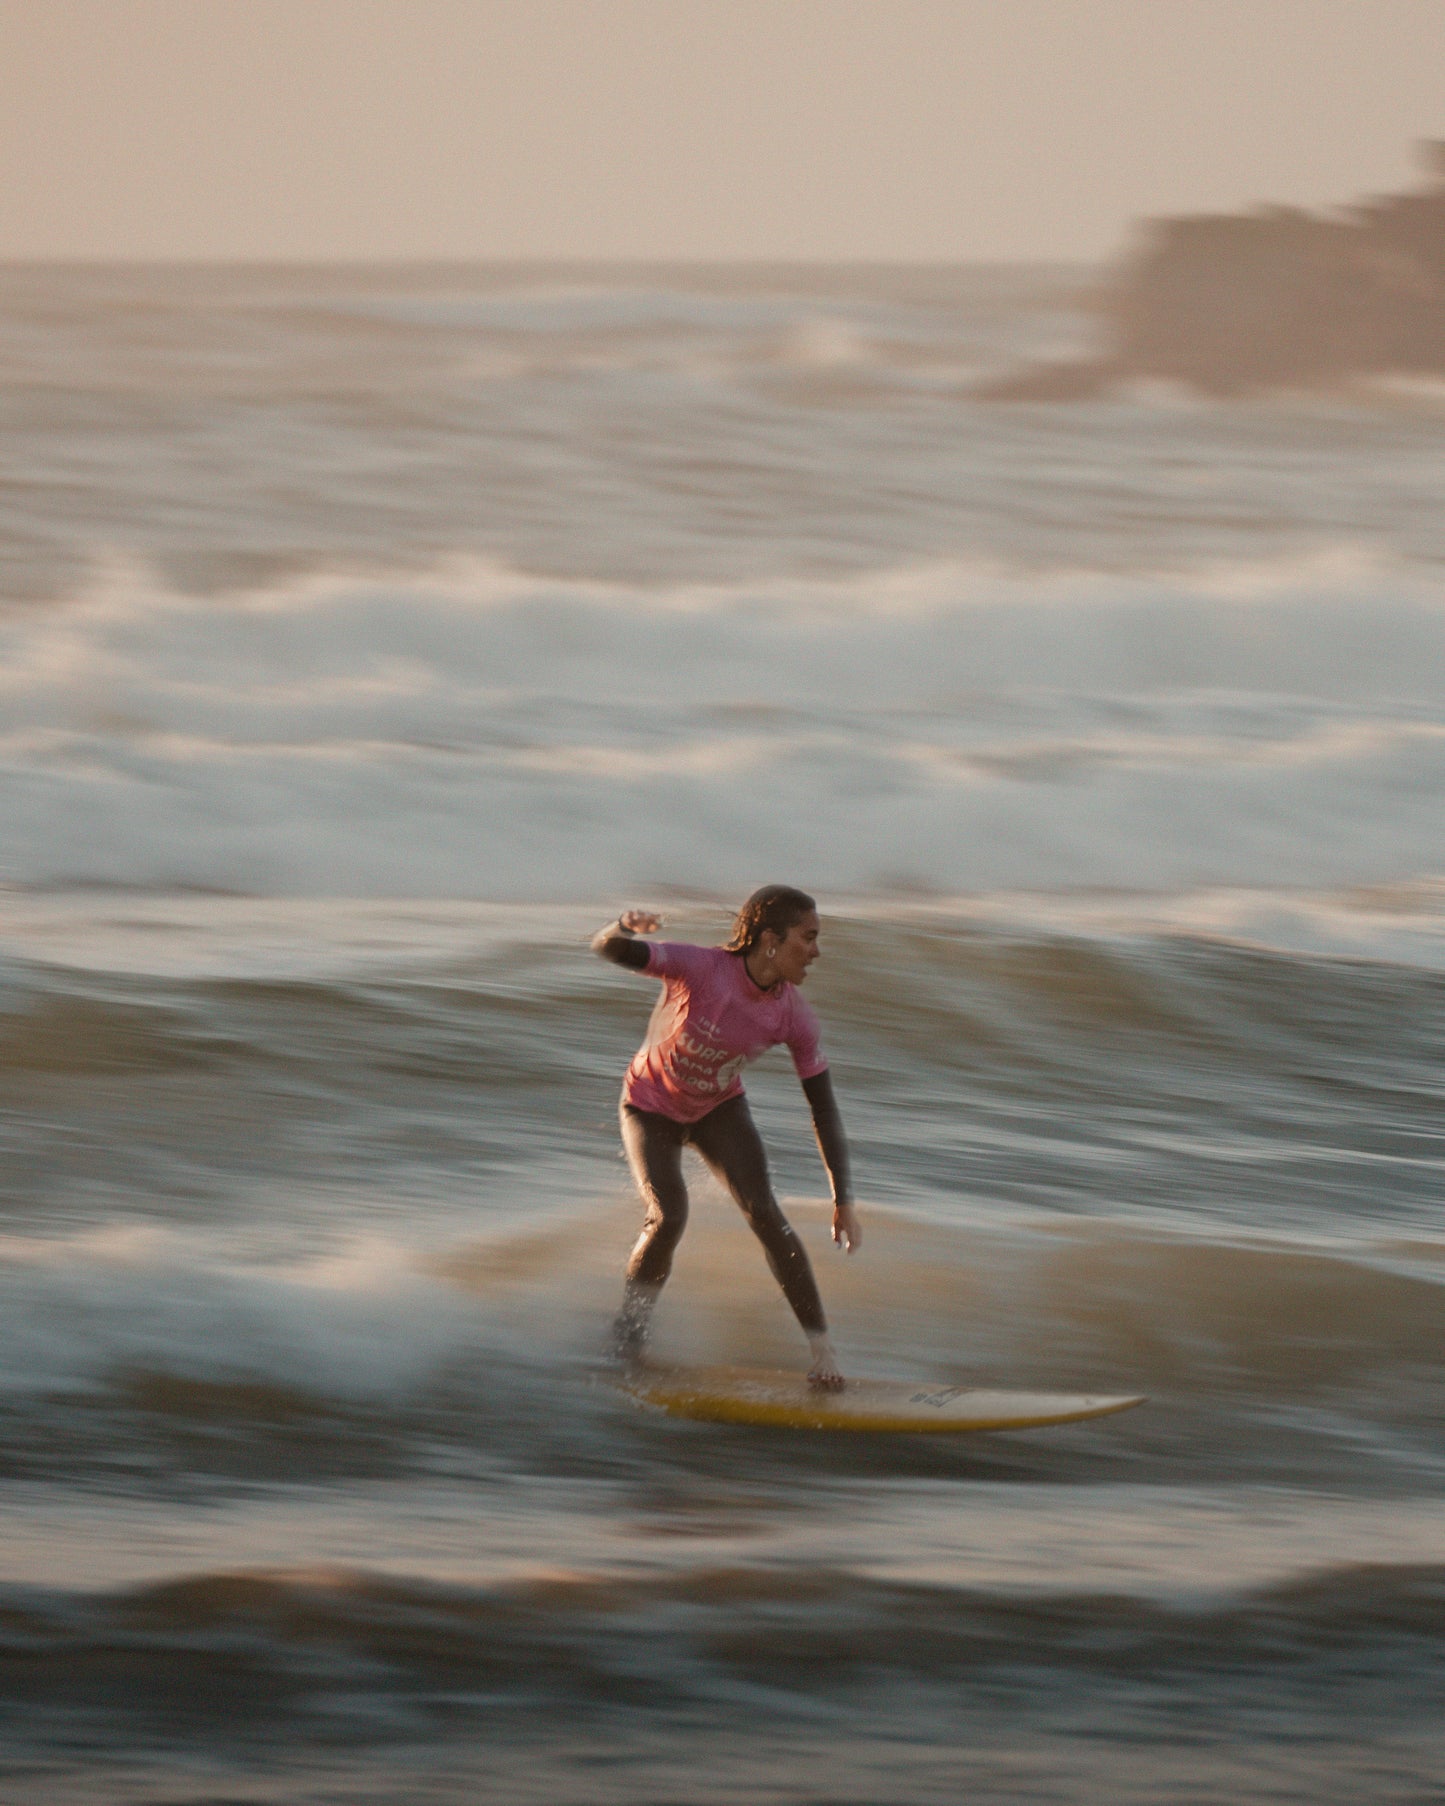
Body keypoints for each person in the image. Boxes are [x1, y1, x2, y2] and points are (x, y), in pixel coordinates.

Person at [591, 884, 860, 1388]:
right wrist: (624, 927)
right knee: (669, 1215)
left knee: (767, 1215)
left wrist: (842, 1198)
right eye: (809, 937)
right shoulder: (699, 968)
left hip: (717, 1108)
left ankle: (823, 1353)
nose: (818, 950)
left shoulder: (793, 1015)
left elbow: (823, 1107)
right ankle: (625, 1342)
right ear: (769, 941)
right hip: (650, 1106)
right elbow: (609, 949)